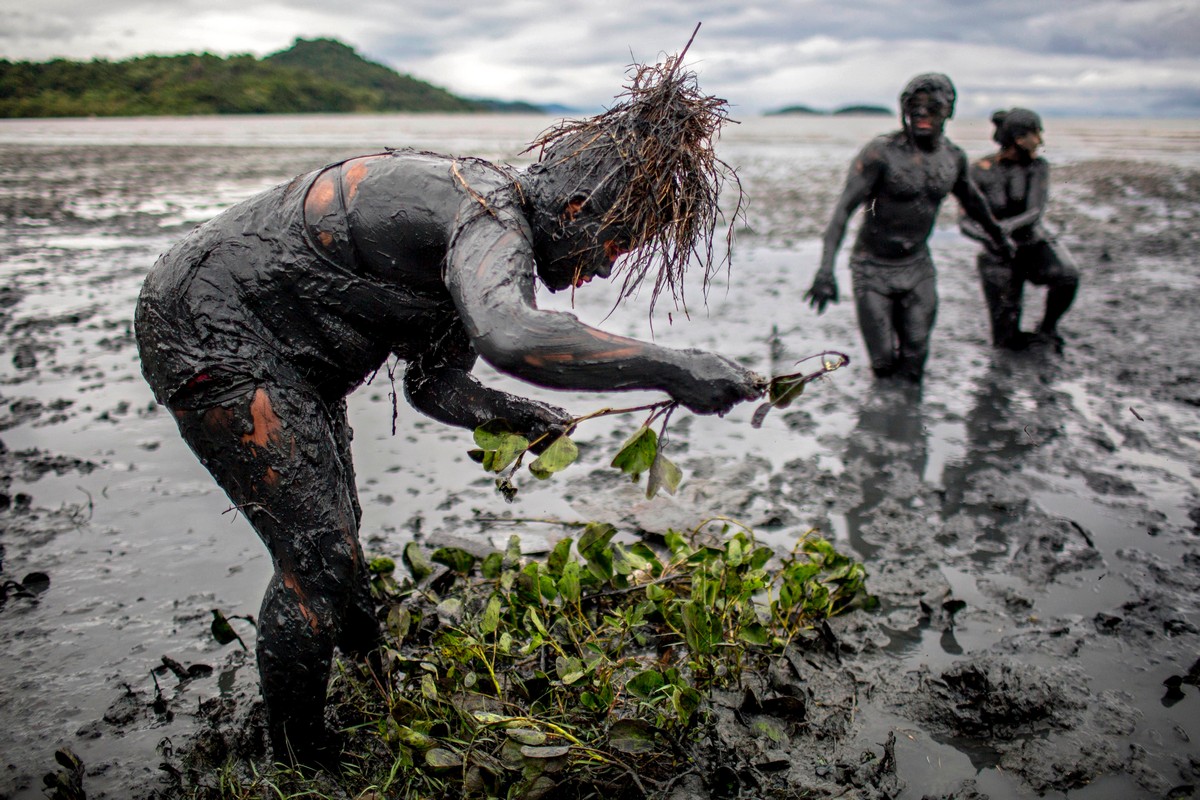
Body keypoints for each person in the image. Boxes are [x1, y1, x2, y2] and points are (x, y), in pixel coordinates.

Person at [134, 55, 761, 763]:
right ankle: (296, 760)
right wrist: (677, 369)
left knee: (336, 539)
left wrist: (515, 414)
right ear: (577, 211)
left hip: (292, 363)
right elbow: (511, 335)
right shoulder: (485, 209)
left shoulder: (474, 243)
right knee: (317, 559)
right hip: (207, 324)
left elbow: (432, 385)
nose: (607, 268)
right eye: (615, 247)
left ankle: (370, 686)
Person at [804, 73, 1015, 382]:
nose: (921, 114)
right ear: (903, 109)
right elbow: (841, 213)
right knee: (884, 363)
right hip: (872, 267)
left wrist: (999, 238)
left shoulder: (953, 158)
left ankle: (908, 422)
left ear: (949, 111)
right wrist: (825, 271)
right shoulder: (880, 153)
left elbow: (974, 203)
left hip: (917, 267)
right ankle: (884, 423)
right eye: (913, 106)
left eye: (933, 107)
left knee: (916, 357)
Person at [959, 108, 1079, 351]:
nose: (1040, 141)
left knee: (1068, 275)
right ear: (1017, 137)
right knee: (1005, 340)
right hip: (997, 254)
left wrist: (1001, 229)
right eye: (1036, 134)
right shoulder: (979, 170)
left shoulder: (1037, 167)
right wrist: (992, 238)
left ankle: (1048, 327)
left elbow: (1034, 211)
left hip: (1032, 245)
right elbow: (964, 221)